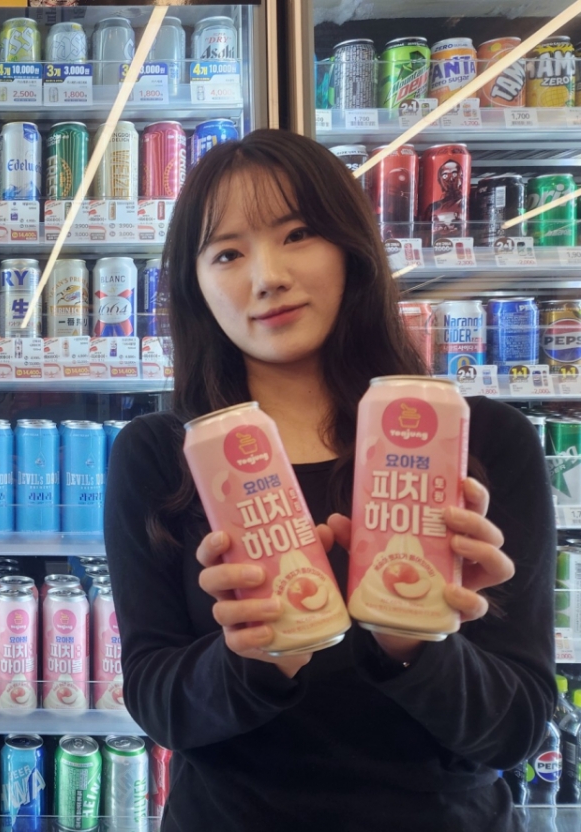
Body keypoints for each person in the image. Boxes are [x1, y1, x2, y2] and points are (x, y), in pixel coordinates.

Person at [104, 129, 555, 831]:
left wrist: (416, 636)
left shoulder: (484, 440)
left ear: (351, 247)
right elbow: (161, 707)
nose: (267, 276)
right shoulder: (162, 454)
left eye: (298, 234)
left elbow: (516, 729)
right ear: (195, 287)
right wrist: (258, 651)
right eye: (227, 253)